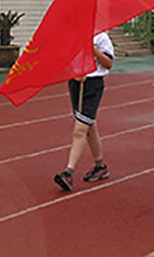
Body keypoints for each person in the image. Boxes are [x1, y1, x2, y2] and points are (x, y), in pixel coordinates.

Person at [53, 32, 114, 192]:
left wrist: (92, 49)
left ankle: (68, 172)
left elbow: (108, 63)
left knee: (80, 129)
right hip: (76, 83)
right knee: (88, 125)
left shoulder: (101, 38)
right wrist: (73, 72)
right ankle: (100, 166)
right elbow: (65, 59)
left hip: (93, 85)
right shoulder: (73, 36)